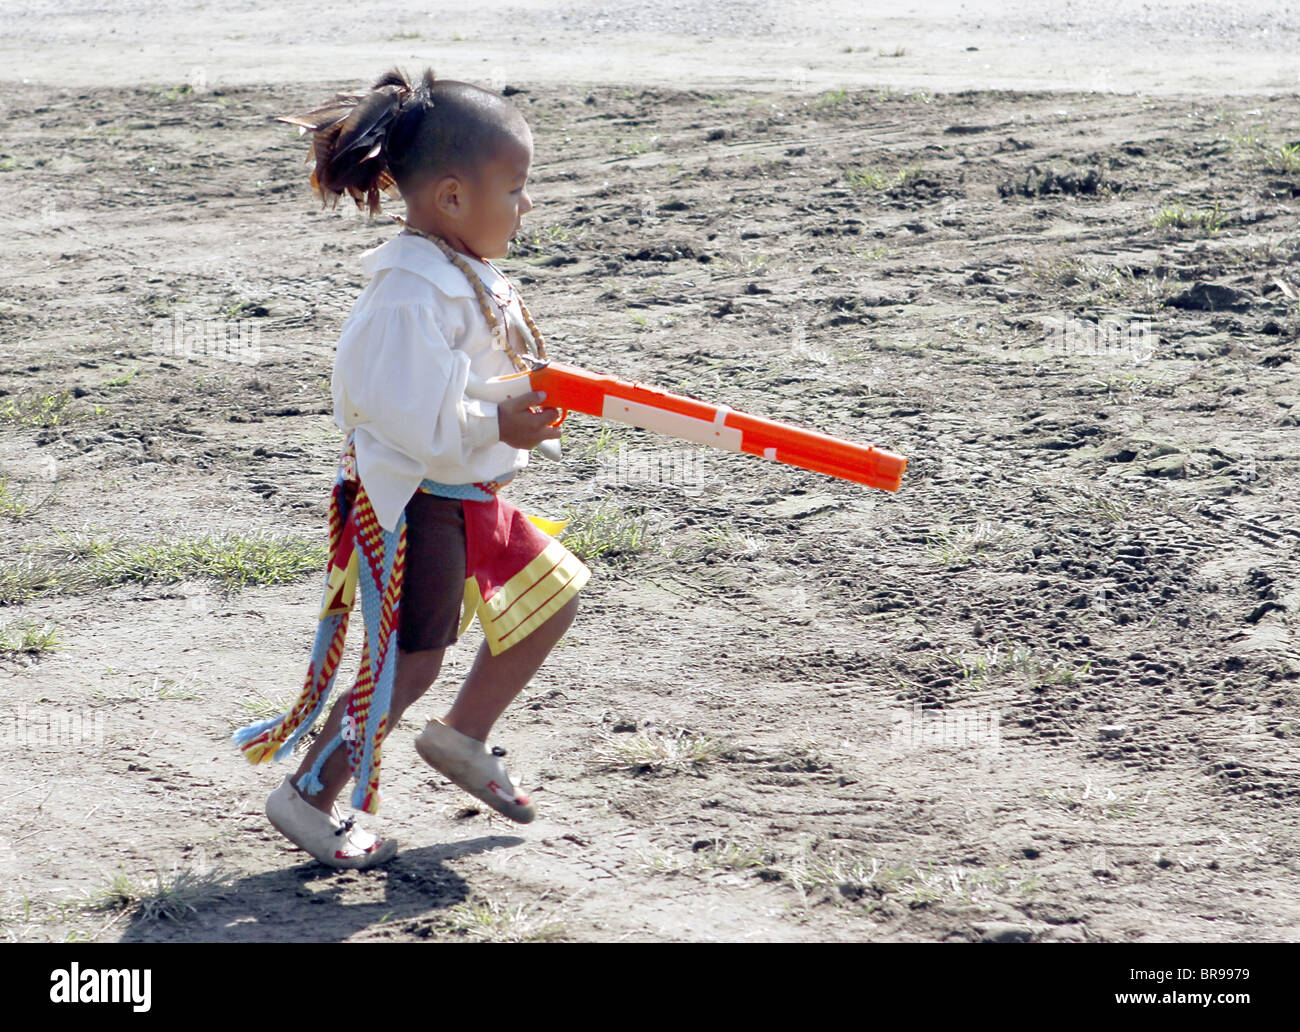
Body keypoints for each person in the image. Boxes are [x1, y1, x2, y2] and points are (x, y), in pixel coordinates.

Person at [232, 67, 588, 869]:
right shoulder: (406, 291)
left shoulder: (460, 268)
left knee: (550, 598)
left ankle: (463, 737)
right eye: (517, 187)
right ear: (454, 197)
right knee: (409, 661)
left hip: (473, 491)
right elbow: (403, 415)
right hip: (420, 499)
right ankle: (310, 795)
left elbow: (479, 379)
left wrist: (526, 409)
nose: (526, 204)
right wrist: (497, 421)